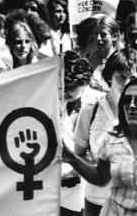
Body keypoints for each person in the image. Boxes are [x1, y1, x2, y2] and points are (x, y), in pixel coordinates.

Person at [73, 48, 137, 216]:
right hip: (96, 201)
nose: (127, 82)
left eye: (132, 77)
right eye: (121, 77)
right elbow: (78, 153)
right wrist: (99, 169)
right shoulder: (90, 110)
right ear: (109, 77)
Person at [60, 51, 95, 216]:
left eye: (70, 85)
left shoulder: (100, 104)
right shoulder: (52, 102)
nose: (64, 90)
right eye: (61, 84)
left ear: (84, 80)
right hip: (64, 195)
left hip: (95, 190)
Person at [88, 16, 123, 93]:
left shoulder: (121, 61)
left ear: (114, 36)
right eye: (96, 34)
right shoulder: (88, 59)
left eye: (103, 34)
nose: (98, 38)